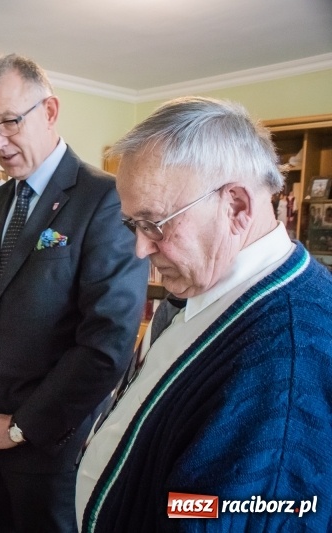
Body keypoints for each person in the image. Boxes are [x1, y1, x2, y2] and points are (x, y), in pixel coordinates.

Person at [76, 96, 332, 531]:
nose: (141, 249)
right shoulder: (209, 287)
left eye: (155, 222)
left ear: (235, 206)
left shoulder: (286, 355)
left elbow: (231, 512)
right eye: (132, 225)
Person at [0, 53, 148, 532]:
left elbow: (107, 344)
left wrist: (16, 427)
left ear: (50, 111)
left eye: (10, 122)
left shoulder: (105, 198)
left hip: (49, 449)